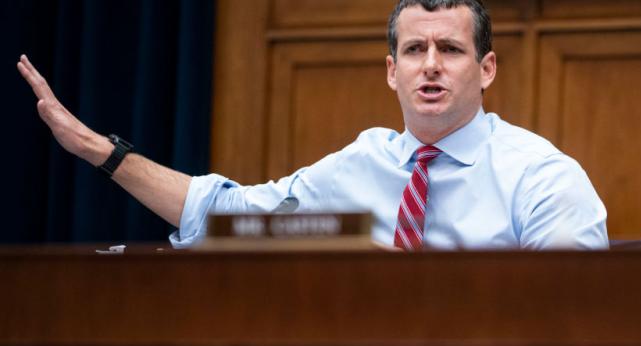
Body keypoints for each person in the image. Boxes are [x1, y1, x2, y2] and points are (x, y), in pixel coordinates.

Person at [18, 0, 608, 250]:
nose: (430, 65)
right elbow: (231, 220)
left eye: (450, 49)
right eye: (414, 50)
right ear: (390, 71)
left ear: (486, 69)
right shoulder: (360, 164)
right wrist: (102, 152)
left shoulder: (542, 177)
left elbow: (572, 309)